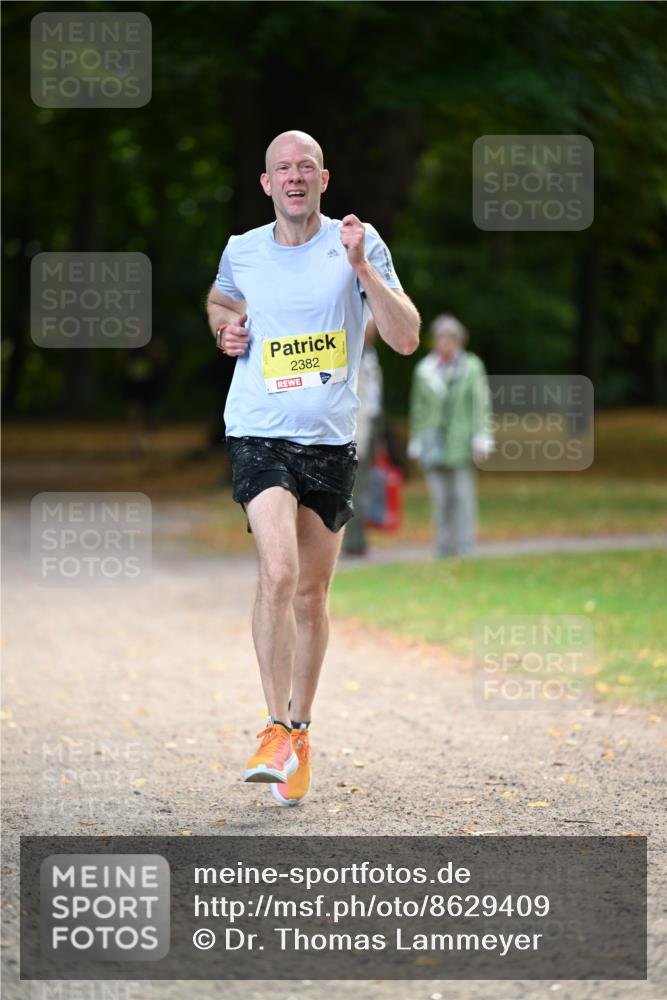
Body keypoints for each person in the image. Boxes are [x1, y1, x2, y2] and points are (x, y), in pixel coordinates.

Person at [205, 130, 420, 806]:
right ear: (266, 184)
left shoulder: (358, 241)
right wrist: (224, 330)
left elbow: (406, 336)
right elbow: (220, 302)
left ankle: (299, 730)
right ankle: (272, 727)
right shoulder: (242, 250)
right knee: (278, 571)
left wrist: (361, 269)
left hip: (328, 441)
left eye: (305, 167)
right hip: (258, 432)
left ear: (323, 178)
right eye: (281, 170)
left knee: (310, 596)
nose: (294, 177)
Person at [408, 314, 493, 557]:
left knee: (463, 497)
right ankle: (444, 547)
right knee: (440, 499)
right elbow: (418, 408)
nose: (444, 342)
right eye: (440, 337)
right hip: (432, 443)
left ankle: (466, 546)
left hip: (461, 442)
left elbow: (481, 403)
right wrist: (416, 440)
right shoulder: (424, 370)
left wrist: (482, 437)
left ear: (459, 340)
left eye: (449, 338)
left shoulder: (471, 367)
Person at [342, 317, 384, 556]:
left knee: (364, 488)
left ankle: (359, 541)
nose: (371, 335)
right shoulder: (350, 355)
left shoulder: (371, 356)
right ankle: (352, 543)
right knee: (352, 490)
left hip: (369, 429)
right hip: (351, 432)